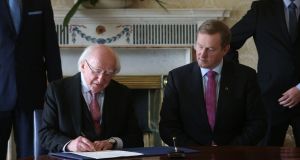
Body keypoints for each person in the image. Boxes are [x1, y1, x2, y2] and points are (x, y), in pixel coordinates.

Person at [159, 19, 267, 147]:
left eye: (210, 49)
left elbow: (258, 123)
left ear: (225, 49)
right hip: (191, 155)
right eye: (199, 46)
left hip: (234, 154)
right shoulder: (177, 78)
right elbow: (167, 126)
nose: (202, 55)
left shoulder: (246, 77)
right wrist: (196, 151)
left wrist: (231, 150)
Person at [39, 44, 144, 152]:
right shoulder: (58, 91)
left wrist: (113, 142)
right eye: (97, 71)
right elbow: (45, 134)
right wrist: (70, 144)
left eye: (108, 73)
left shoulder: (122, 93)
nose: (100, 79)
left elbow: (136, 137)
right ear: (83, 65)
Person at [226, 0, 300, 146]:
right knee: (265, 154)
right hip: (269, 98)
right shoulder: (261, 8)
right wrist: (241, 77)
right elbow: (228, 44)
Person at [0, 0, 62, 158]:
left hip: (32, 94)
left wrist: (56, 92)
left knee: (32, 154)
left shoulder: (41, 2)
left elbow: (51, 48)